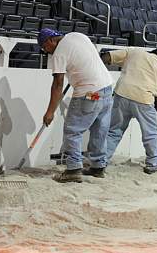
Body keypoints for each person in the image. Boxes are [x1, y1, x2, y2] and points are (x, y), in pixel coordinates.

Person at [39, 28, 113, 183]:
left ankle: (73, 169)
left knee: (72, 131)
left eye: (45, 48)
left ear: (49, 41)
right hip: (104, 92)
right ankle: (98, 167)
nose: (47, 52)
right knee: (99, 130)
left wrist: (49, 112)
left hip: (88, 93)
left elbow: (58, 85)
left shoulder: (59, 53)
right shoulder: (77, 36)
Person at [94, 47, 157, 176]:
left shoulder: (135, 52)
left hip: (122, 93)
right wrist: (154, 122)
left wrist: (94, 65)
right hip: (144, 98)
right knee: (150, 134)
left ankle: (101, 161)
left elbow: (107, 57)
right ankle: (152, 164)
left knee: (114, 131)